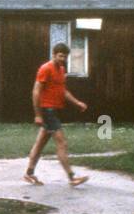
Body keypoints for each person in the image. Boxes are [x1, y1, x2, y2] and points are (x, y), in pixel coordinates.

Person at [24, 42, 88, 186]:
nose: (62, 59)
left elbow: (63, 91)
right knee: (62, 142)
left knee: (40, 144)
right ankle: (72, 178)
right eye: (60, 56)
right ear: (53, 54)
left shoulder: (61, 70)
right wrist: (38, 114)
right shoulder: (45, 69)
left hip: (54, 110)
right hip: (47, 111)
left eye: (65, 57)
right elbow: (36, 91)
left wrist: (77, 102)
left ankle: (29, 173)